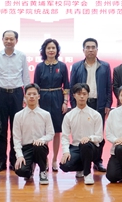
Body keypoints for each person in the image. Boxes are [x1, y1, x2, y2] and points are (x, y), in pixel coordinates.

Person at [0, 30, 30, 172]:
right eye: (6, 38)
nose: (9, 41)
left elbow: (26, 77)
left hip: (17, 94)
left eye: (11, 39)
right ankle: (1, 161)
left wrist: (25, 97)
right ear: (2, 40)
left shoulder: (21, 56)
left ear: (16, 41)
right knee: (1, 130)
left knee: (15, 129)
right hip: (0, 93)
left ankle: (13, 160)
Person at [69, 38, 112, 172]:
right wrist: (73, 104)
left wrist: (108, 104)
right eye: (88, 47)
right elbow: (72, 87)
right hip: (82, 103)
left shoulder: (105, 66)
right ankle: (82, 161)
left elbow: (108, 86)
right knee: (82, 132)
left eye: (93, 47)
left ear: (97, 50)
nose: (90, 50)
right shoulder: (77, 66)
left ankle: (98, 161)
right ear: (83, 50)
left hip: (99, 103)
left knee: (98, 134)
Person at [33, 38, 69, 172]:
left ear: (57, 50)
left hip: (57, 98)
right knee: (44, 130)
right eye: (48, 48)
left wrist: (65, 102)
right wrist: (36, 103)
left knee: (56, 131)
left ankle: (54, 159)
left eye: (53, 48)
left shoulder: (62, 66)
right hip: (43, 98)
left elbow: (67, 86)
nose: (51, 50)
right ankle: (45, 159)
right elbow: (35, 86)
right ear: (44, 50)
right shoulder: (39, 67)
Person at [59, 83, 104, 185]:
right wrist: (66, 152)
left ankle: (87, 174)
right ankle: (82, 167)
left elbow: (100, 137)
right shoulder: (69, 116)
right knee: (64, 165)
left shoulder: (95, 115)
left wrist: (89, 138)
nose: (82, 96)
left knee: (85, 145)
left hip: (92, 148)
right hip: (76, 147)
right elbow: (65, 137)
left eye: (84, 94)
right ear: (74, 95)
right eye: (79, 94)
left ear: (88, 95)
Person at [12, 83, 55, 185]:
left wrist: (42, 140)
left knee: (38, 147)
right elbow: (16, 139)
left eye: (34, 94)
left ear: (38, 96)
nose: (31, 96)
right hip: (26, 148)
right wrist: (19, 156)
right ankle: (30, 169)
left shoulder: (45, 114)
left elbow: (51, 134)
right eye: (29, 94)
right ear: (25, 96)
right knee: (20, 170)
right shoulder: (18, 116)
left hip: (40, 147)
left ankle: (43, 171)